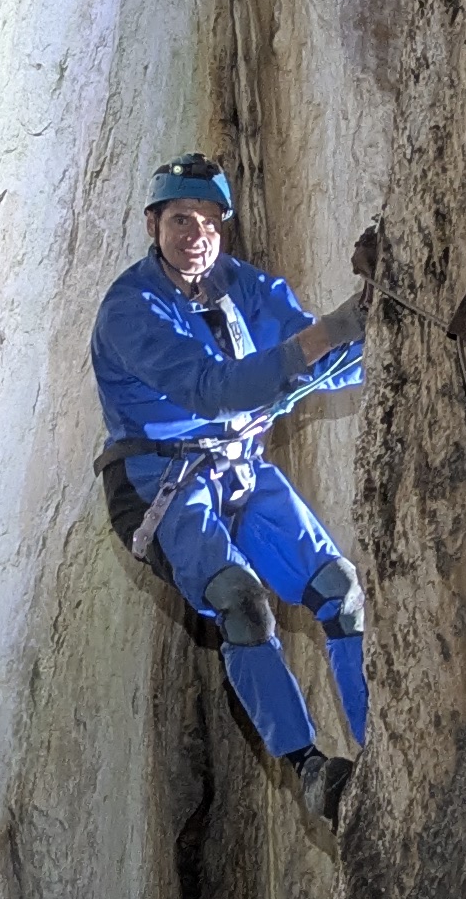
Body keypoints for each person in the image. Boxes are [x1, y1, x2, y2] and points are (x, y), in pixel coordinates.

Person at [91, 156, 370, 815]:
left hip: (237, 465)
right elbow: (213, 391)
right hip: (158, 480)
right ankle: (308, 769)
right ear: (152, 225)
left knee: (340, 591)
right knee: (239, 599)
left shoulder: (242, 286)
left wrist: (379, 331)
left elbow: (313, 366)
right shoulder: (131, 311)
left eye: (211, 221)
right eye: (181, 220)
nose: (197, 234)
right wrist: (332, 329)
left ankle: (377, 745)